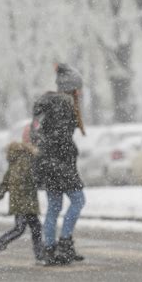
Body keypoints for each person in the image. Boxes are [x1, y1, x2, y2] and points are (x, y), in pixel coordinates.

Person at [31, 62, 86, 266]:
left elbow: (38, 132)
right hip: (60, 163)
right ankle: (64, 244)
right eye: (78, 88)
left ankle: (49, 249)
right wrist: (65, 153)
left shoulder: (47, 103)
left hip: (48, 163)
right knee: (78, 200)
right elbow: (60, 137)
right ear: (70, 87)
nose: (80, 93)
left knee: (54, 206)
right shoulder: (64, 104)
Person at [0, 141, 43, 269]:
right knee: (20, 229)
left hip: (22, 202)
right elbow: (32, 178)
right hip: (25, 202)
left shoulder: (16, 162)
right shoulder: (26, 160)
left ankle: (39, 255)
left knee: (34, 227)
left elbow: (5, 183)